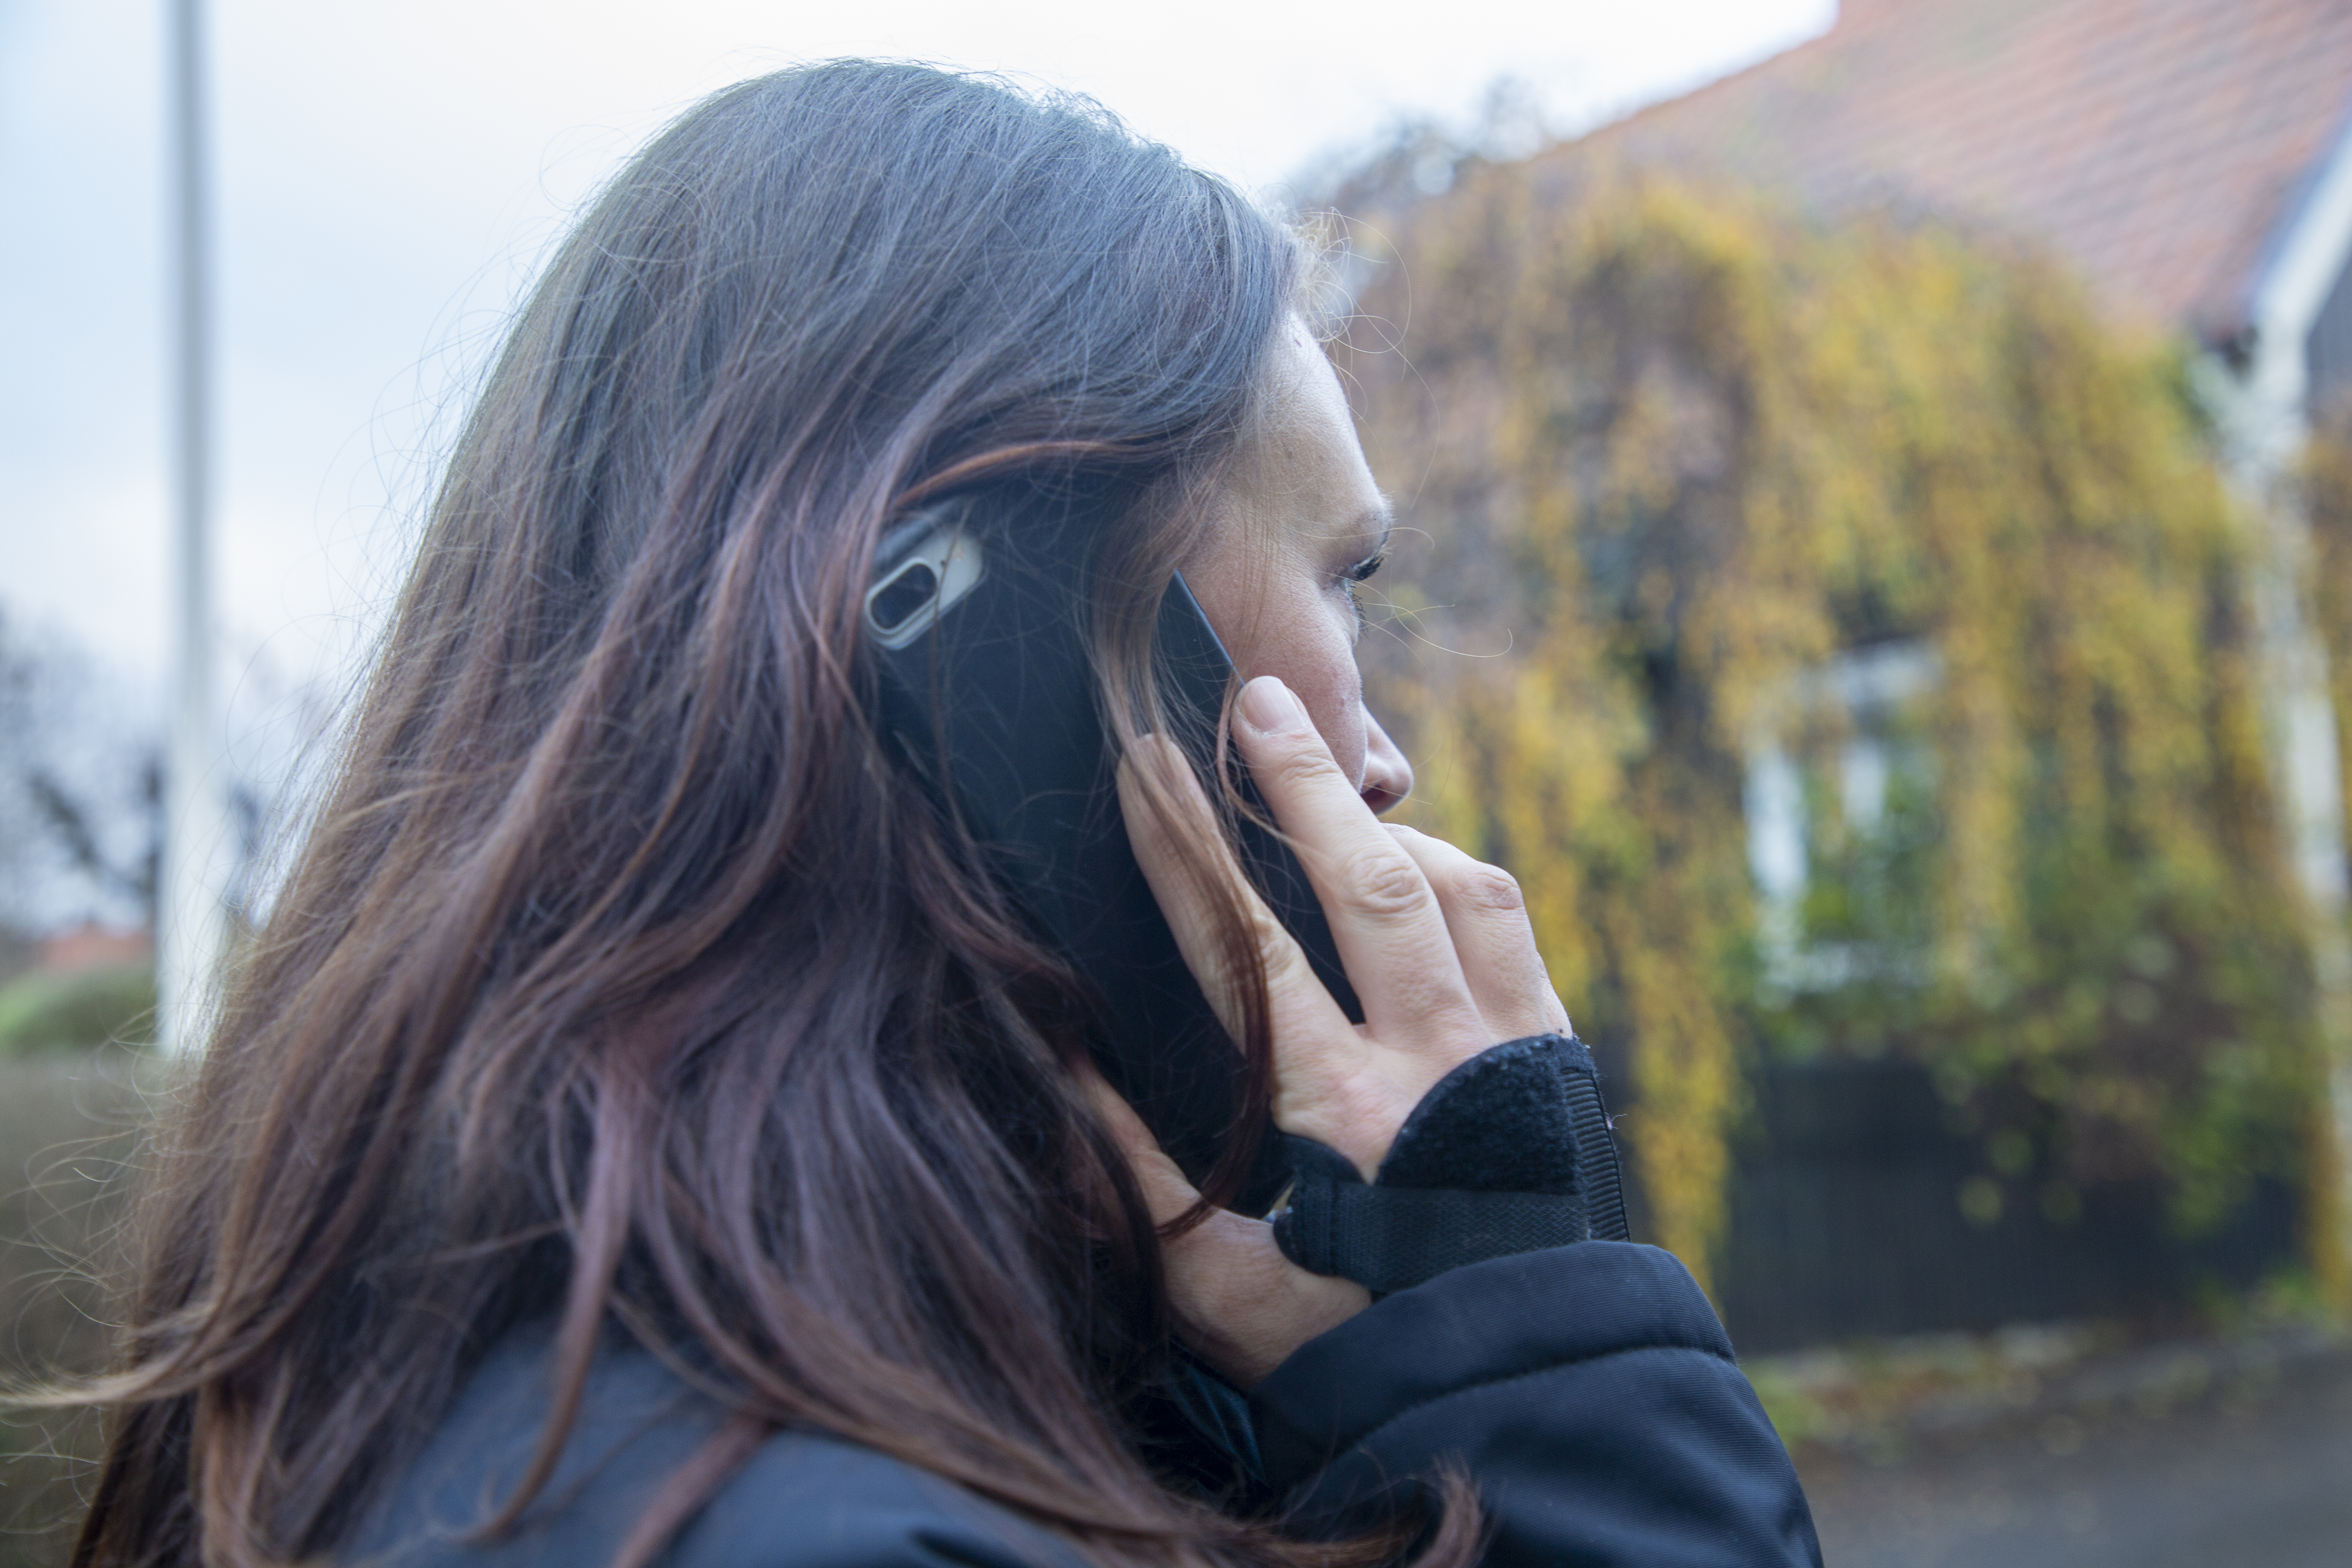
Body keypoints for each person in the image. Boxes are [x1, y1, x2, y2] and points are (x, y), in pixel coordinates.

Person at [63, 62, 1821, 1568]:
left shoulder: (616, 1395)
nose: (1384, 767)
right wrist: (1550, 1386)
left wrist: (1390, 1381)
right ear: (984, 631)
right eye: (1347, 575)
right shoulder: (819, 1530)